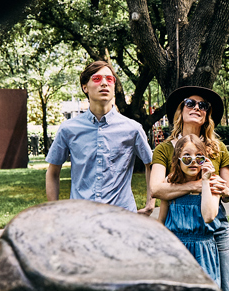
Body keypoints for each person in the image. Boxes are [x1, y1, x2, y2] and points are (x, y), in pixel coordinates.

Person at [149, 86, 229, 291]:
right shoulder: (165, 149)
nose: (197, 108)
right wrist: (196, 186)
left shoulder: (217, 147)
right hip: (179, 233)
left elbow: (228, 189)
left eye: (204, 106)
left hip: (215, 232)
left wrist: (226, 190)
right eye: (191, 103)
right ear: (180, 110)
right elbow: (157, 189)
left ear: (208, 115)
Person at [46, 61, 155, 215]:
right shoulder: (68, 129)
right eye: (97, 79)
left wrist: (151, 203)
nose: (104, 83)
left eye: (109, 79)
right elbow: (53, 171)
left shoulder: (132, 129)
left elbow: (151, 164)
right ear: (85, 87)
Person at [159, 135, 221, 283]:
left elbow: (208, 216)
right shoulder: (170, 182)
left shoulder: (213, 182)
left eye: (199, 157)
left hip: (203, 252)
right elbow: (161, 221)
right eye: (187, 157)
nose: (193, 162)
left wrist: (205, 181)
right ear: (177, 159)